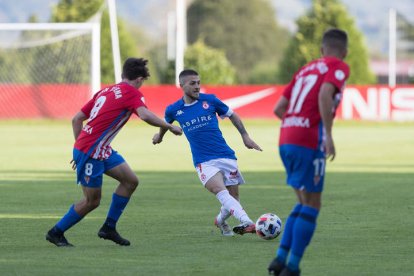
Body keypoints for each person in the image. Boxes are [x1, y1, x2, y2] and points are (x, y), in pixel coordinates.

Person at [45, 57, 182, 247]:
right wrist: (169, 126)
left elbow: (76, 119)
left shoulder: (105, 91)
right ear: (140, 79)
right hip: (91, 152)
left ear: (122, 74)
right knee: (92, 201)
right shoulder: (132, 93)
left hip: (97, 149)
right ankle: (56, 232)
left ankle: (109, 228)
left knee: (130, 181)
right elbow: (144, 114)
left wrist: (81, 147)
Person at [268, 28, 350, 276]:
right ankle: (292, 267)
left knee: (303, 201)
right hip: (307, 140)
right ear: (344, 52)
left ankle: (280, 260)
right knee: (313, 204)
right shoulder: (338, 66)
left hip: (286, 138)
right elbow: (326, 94)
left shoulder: (305, 69)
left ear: (321, 49)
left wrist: (297, 123)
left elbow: (278, 108)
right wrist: (326, 134)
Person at [152, 69, 262, 236]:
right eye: (192, 83)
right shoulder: (174, 109)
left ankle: (220, 221)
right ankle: (247, 222)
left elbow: (233, 115)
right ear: (181, 85)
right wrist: (159, 136)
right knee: (219, 190)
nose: (197, 86)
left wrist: (245, 136)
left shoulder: (210, 100)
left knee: (233, 199)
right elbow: (165, 123)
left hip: (225, 155)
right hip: (203, 161)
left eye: (198, 82)